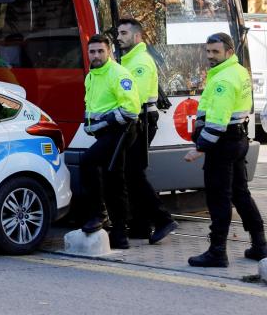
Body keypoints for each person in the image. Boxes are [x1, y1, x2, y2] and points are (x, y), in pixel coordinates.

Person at [185, 32, 266, 267]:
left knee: (219, 198)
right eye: (208, 51)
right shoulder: (237, 71)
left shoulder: (223, 80)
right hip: (238, 138)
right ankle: (260, 245)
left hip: (223, 143)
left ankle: (217, 252)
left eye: (215, 52)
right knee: (241, 194)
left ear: (228, 52)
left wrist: (199, 148)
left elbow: (217, 123)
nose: (210, 56)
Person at [117, 19, 178, 244]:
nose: (119, 37)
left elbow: (137, 97)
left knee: (134, 173)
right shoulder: (129, 60)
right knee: (132, 173)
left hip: (140, 120)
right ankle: (141, 226)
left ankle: (163, 219)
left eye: (124, 33)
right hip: (137, 120)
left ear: (137, 37)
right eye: (118, 33)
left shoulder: (140, 62)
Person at [80, 34, 140, 249]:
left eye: (100, 51)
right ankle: (120, 234)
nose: (96, 56)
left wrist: (102, 123)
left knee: (88, 162)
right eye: (92, 52)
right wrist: (89, 124)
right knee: (113, 179)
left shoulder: (118, 74)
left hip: (120, 131)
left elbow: (131, 109)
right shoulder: (92, 76)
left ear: (109, 52)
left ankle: (99, 215)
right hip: (106, 134)